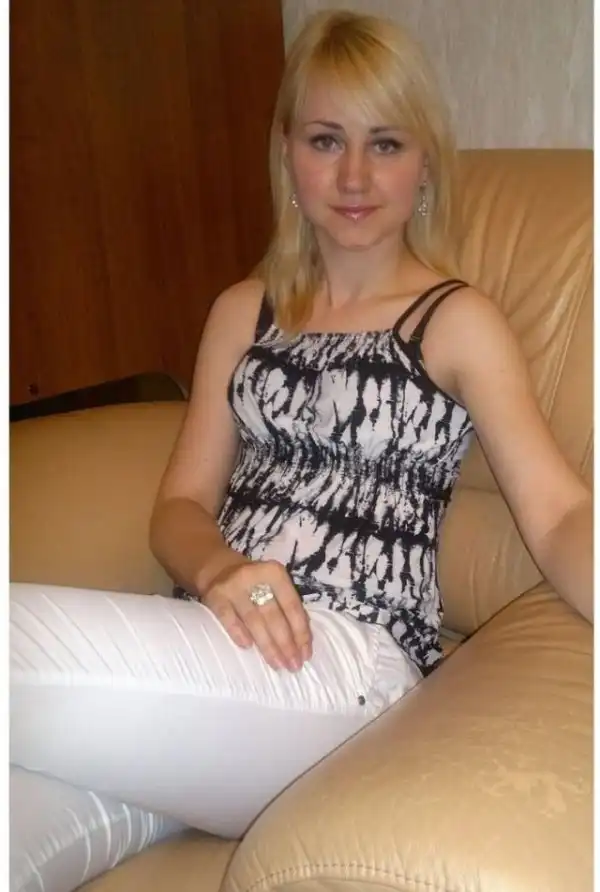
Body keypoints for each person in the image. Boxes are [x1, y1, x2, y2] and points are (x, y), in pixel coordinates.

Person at [11, 6, 592, 852]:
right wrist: (221, 571)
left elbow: (562, 513)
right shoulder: (241, 312)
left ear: (425, 163)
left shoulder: (456, 321)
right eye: (326, 140)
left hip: (345, 666)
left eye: (385, 143)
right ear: (287, 153)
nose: (354, 175)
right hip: (210, 662)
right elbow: (178, 507)